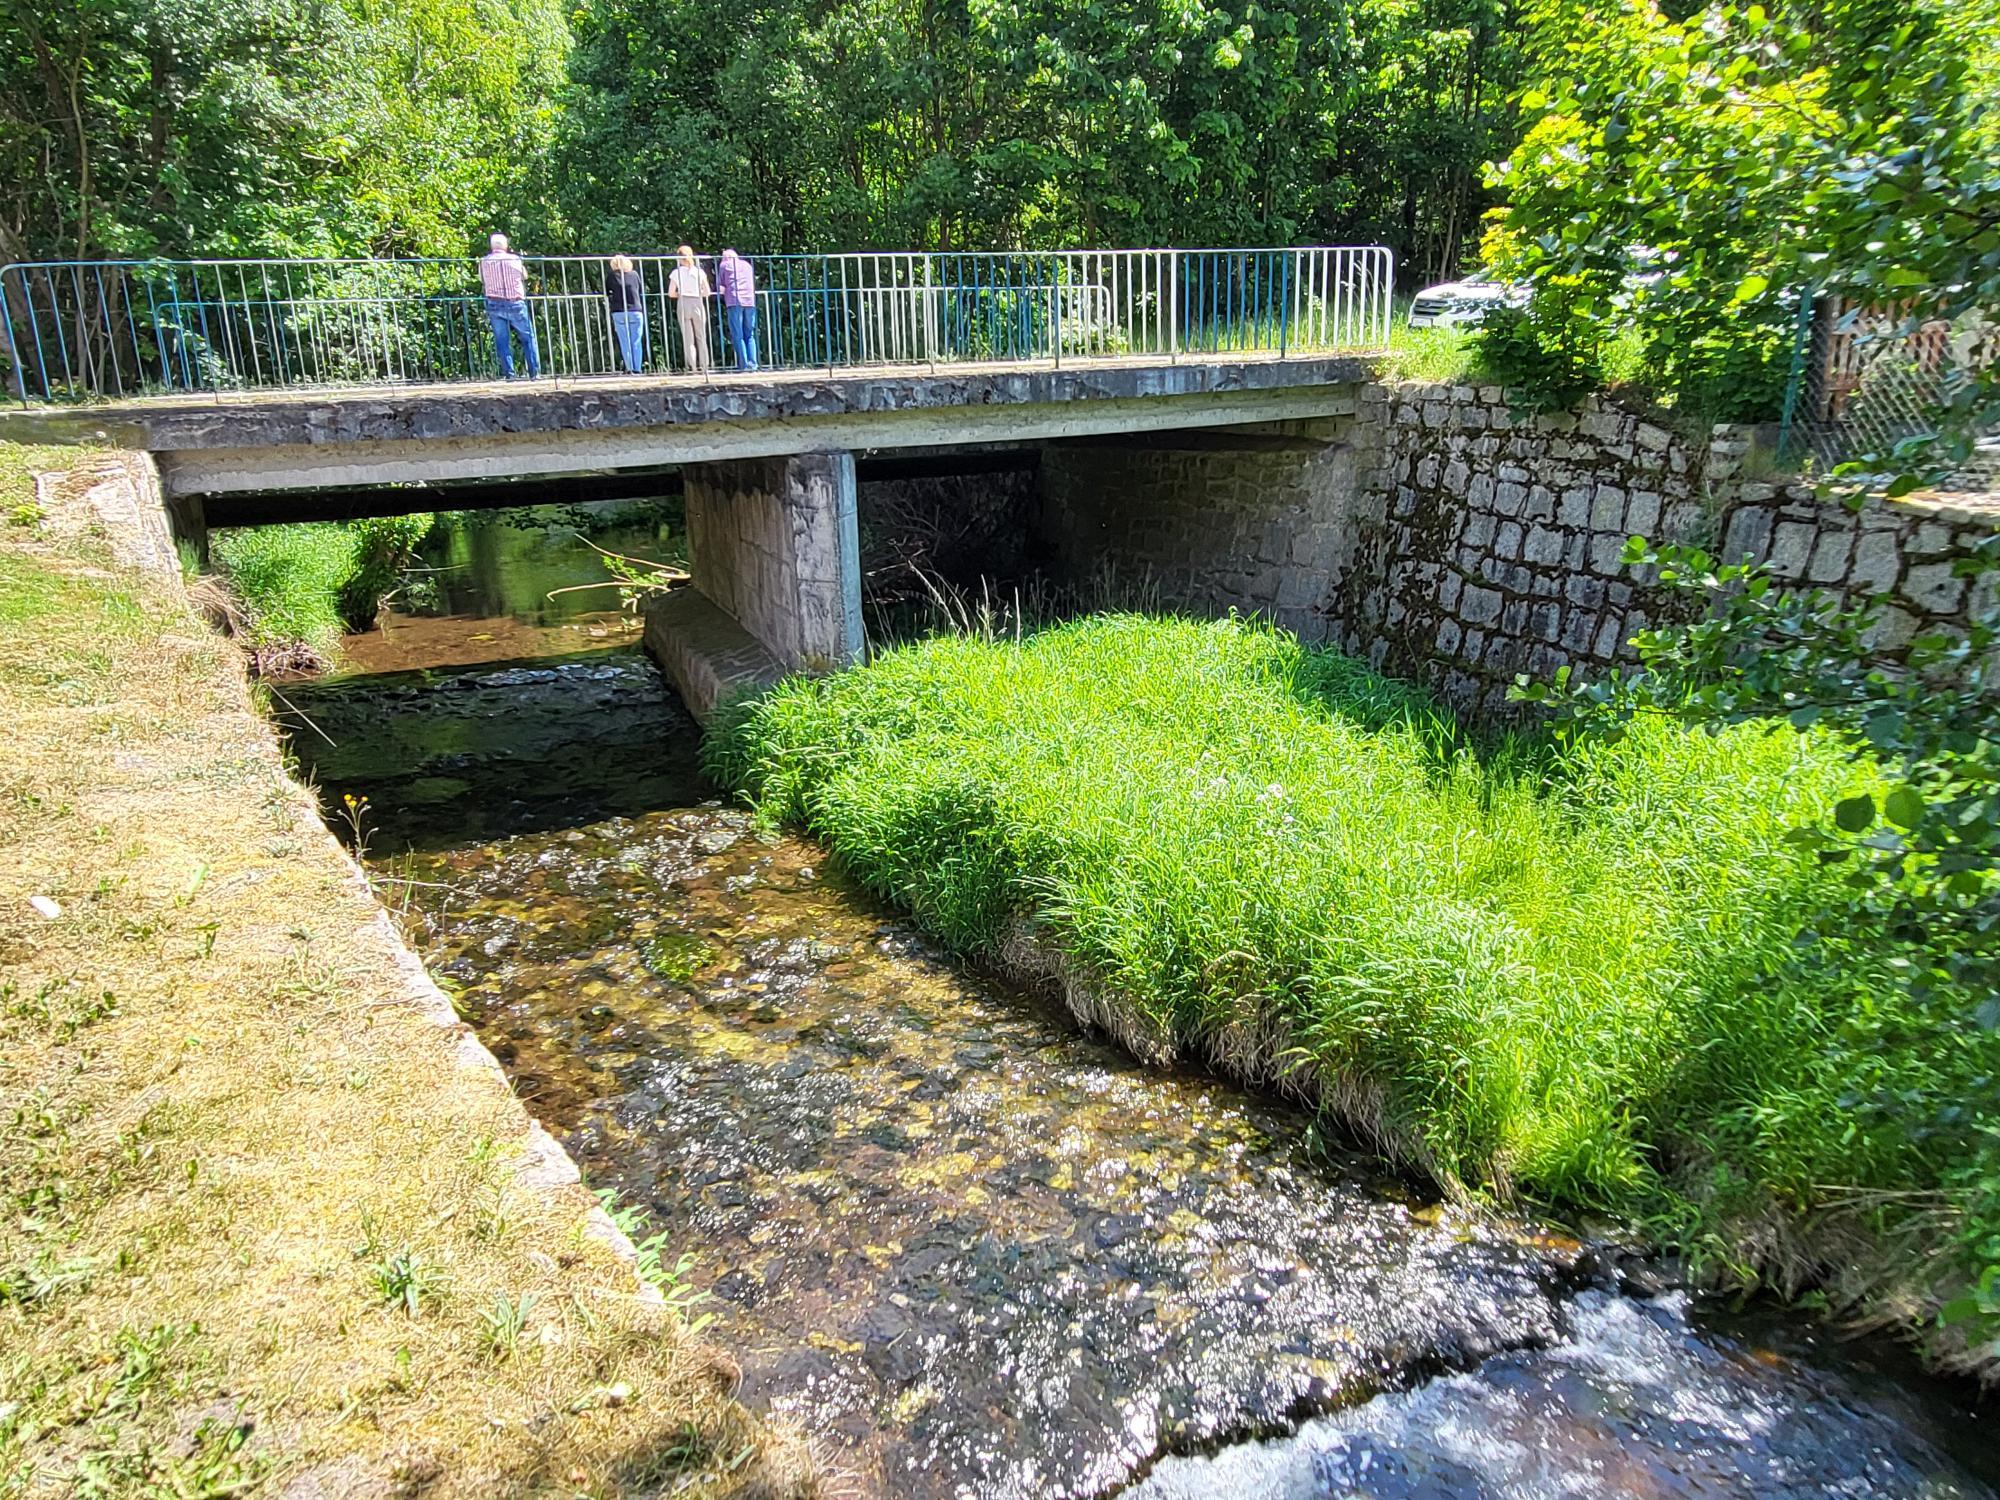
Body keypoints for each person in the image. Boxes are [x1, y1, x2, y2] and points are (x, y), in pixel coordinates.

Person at [479, 232, 540, 379]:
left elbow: (482, 279)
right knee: (528, 338)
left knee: (502, 341)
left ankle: (510, 374)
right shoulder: (515, 259)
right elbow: (524, 276)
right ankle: (534, 373)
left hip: (494, 302)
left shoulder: (484, 261)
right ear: (506, 246)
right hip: (515, 302)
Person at [666, 245, 711, 374]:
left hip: (683, 302)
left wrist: (680, 293)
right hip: (697, 302)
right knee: (701, 336)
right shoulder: (699, 272)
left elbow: (671, 293)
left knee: (688, 339)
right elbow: (707, 292)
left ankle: (693, 366)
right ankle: (705, 366)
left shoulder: (676, 273)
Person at [717, 248, 759, 372]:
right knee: (749, 334)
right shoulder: (747, 265)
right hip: (750, 301)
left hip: (734, 301)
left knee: (737, 334)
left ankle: (743, 365)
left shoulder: (724, 265)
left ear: (726, 258)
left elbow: (721, 288)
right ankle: (753, 364)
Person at [604, 254, 646, 374]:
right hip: (635, 310)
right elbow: (640, 289)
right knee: (636, 341)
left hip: (619, 311)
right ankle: (637, 369)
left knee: (625, 342)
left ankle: (629, 367)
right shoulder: (634, 275)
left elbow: (607, 291)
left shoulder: (611, 276)